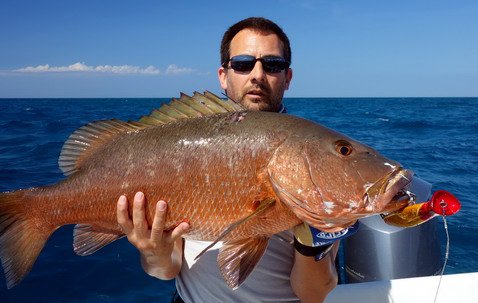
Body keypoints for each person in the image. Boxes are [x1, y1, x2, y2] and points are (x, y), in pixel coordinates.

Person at [116, 17, 340, 303]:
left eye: (272, 65)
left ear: (287, 77)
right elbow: (166, 270)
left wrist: (313, 244)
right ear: (223, 75)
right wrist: (153, 252)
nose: (257, 74)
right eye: (243, 64)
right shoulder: (186, 145)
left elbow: (313, 294)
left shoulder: (311, 153)